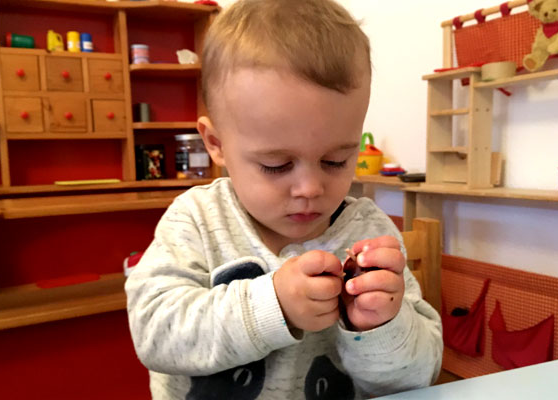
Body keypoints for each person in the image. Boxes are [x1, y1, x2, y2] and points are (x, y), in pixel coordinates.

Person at [125, 0, 443, 398]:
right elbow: (155, 334)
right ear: (216, 145)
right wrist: (271, 305)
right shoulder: (195, 220)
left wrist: (382, 327)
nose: (310, 188)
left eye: (335, 160)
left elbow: (420, 378)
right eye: (276, 165)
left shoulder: (369, 229)